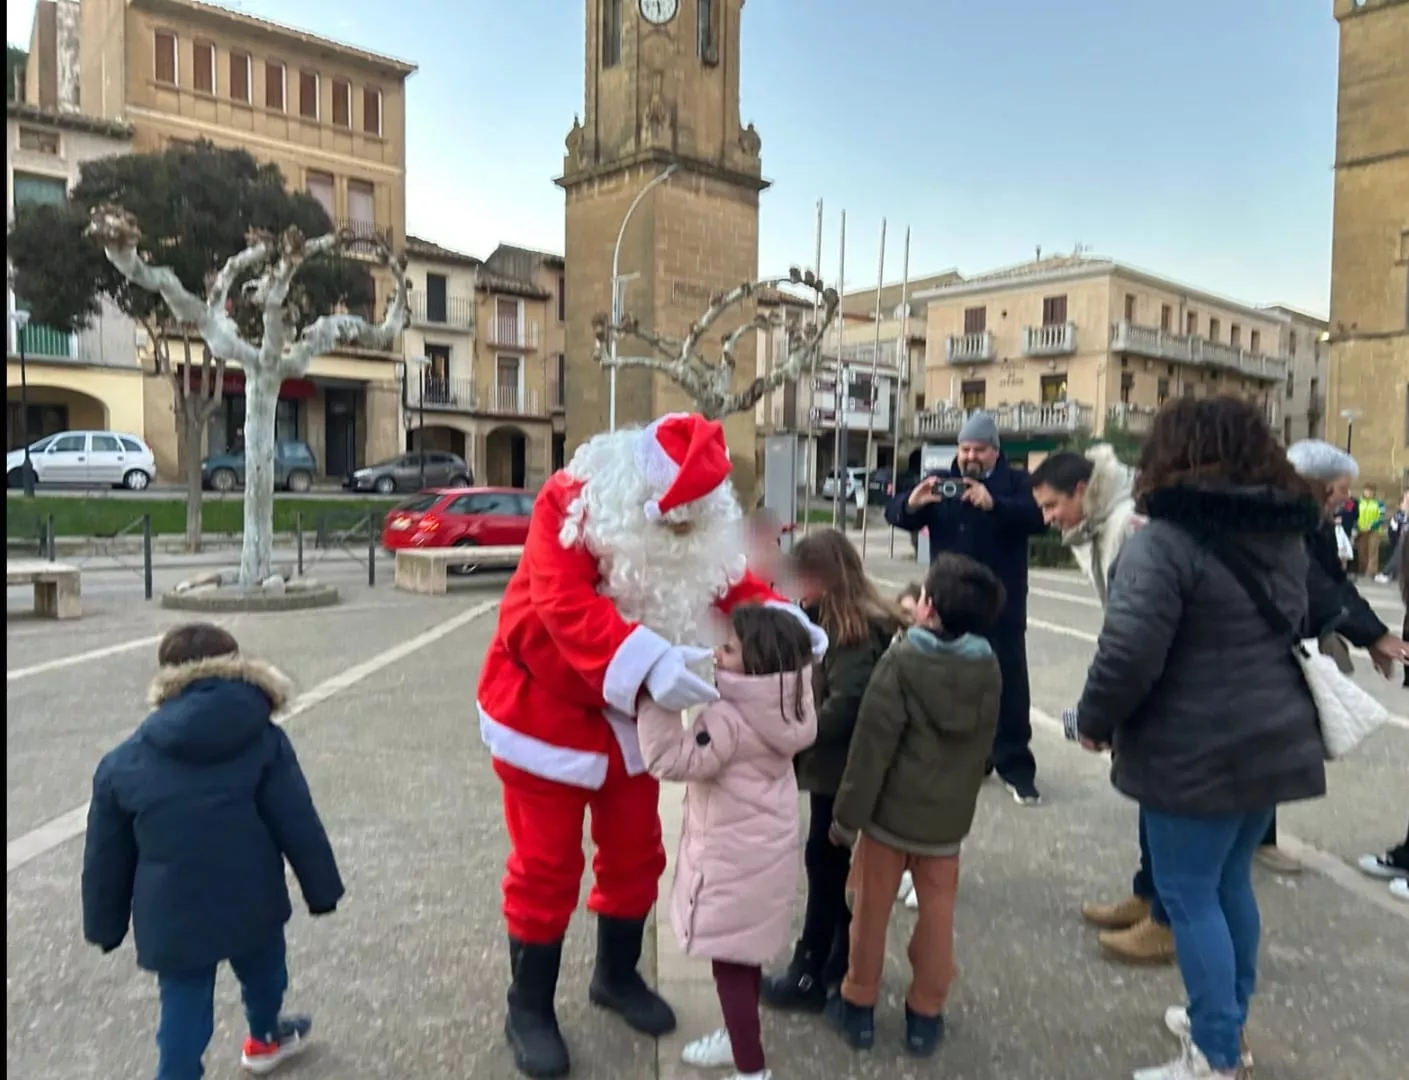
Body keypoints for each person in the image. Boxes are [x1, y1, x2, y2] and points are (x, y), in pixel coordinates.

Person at [475, 412, 826, 1079]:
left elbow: (721, 581)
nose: (681, 534)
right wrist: (645, 659)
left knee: (637, 852)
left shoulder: (694, 527)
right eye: (670, 521)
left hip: (632, 715)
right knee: (545, 867)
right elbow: (560, 603)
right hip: (543, 708)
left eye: (692, 522)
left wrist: (776, 612)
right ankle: (528, 1006)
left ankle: (616, 974)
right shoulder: (572, 505)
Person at [1075, 396, 1326, 1080]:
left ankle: (1214, 1052)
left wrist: (1093, 722)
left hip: (1194, 750)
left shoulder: (1162, 541)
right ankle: (1226, 1018)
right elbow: (1296, 614)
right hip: (1270, 738)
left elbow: (1127, 653)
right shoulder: (1280, 533)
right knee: (1226, 886)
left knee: (1187, 895)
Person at [81, 623, 344, 1080]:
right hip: (252, 895)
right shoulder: (264, 740)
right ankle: (265, 1037)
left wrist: (105, 926)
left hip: (172, 910)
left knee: (183, 1007)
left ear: (166, 679)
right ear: (239, 670)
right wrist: (321, 888)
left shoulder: (122, 762)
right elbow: (296, 819)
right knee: (266, 976)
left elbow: (106, 858)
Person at [826, 554, 1003, 1059]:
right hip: (946, 825)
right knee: (937, 918)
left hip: (888, 820)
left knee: (870, 913)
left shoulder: (901, 663)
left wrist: (846, 819)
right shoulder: (987, 667)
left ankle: (858, 1004)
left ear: (929, 609)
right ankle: (926, 1013)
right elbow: (984, 743)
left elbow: (870, 750)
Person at [638, 605, 819, 1080]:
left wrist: (657, 695)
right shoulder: (790, 701)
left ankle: (751, 1069)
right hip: (764, 853)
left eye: (729, 649)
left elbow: (671, 759)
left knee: (731, 969)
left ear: (757, 663)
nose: (717, 654)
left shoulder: (729, 720)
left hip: (731, 862)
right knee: (745, 955)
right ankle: (740, 1041)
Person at [1029, 446, 1180, 965]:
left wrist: (1105, 713)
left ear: (1080, 491)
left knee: (1161, 797)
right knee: (1145, 790)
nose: (1048, 520)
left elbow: (1136, 632)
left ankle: (1166, 918)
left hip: (1161, 685)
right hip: (1150, 682)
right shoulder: (1100, 524)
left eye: (1052, 507)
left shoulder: (1126, 525)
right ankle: (1147, 894)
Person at [761, 529, 899, 1013]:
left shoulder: (851, 628)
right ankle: (836, 964)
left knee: (826, 866)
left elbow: (848, 703)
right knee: (832, 868)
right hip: (839, 768)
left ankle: (812, 971)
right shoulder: (841, 619)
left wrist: (794, 732)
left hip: (840, 771)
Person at [885, 411, 1047, 805]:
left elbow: (1040, 518)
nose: (970, 456)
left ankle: (1016, 766)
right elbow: (895, 512)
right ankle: (969, 759)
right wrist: (912, 502)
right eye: (965, 448)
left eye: (979, 449)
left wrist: (996, 504)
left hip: (1000, 601)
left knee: (1009, 682)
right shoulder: (942, 481)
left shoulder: (1017, 483)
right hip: (950, 601)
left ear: (995, 450)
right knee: (951, 682)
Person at [1354, 483, 1386, 578]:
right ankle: (1362, 571)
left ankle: (1371, 573)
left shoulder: (1379, 503)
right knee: (1362, 551)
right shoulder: (1356, 502)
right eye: (1366, 491)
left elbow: (1382, 517)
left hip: (1374, 531)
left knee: (1373, 552)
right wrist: (1355, 526)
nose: (1368, 493)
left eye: (1370, 491)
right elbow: (1350, 512)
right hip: (1361, 530)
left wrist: (1372, 526)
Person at [1376, 490, 1406, 584]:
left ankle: (1388, 573)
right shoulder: (1398, 516)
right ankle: (1389, 573)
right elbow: (1392, 531)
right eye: (1406, 501)